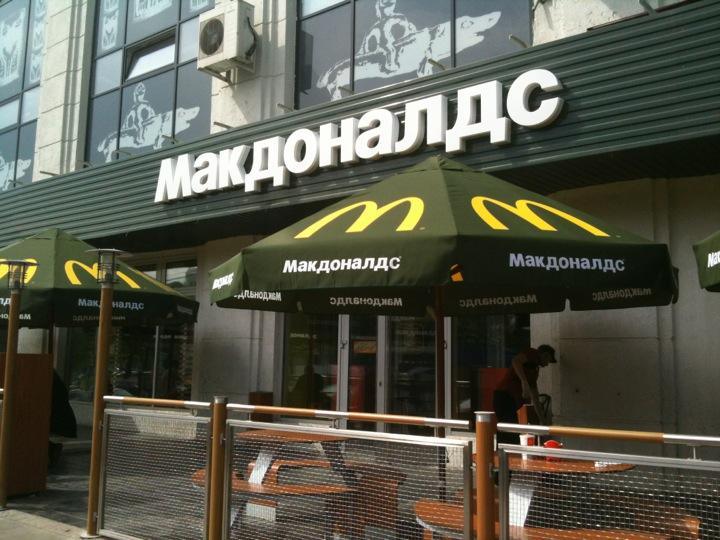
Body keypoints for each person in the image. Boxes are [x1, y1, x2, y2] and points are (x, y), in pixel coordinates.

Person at [493, 345, 556, 443]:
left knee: (513, 430)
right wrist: (524, 382)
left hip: (513, 400)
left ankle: (508, 450)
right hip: (504, 395)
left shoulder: (534, 371)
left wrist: (542, 420)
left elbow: (535, 397)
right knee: (508, 429)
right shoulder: (532, 354)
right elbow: (515, 361)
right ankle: (504, 450)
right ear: (545, 355)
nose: (547, 364)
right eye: (548, 360)